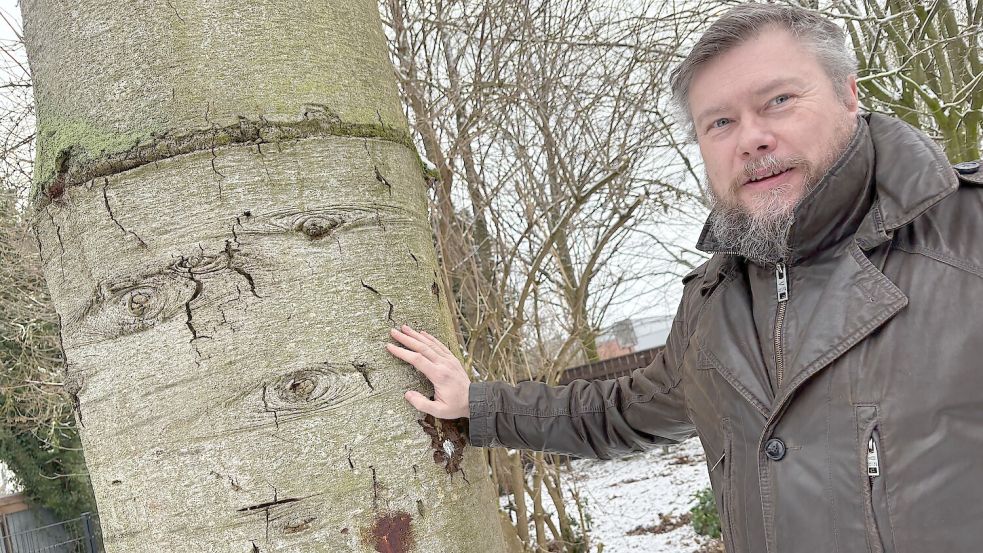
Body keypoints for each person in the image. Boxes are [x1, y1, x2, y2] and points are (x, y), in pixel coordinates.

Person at [385, 3, 983, 552]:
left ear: (850, 95)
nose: (751, 138)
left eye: (778, 100)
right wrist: (477, 404)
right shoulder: (712, 306)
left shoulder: (968, 236)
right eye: (719, 123)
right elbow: (616, 411)